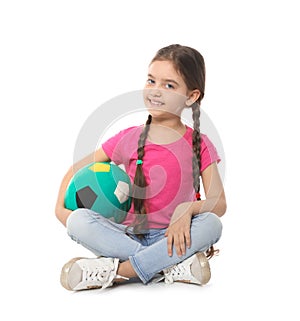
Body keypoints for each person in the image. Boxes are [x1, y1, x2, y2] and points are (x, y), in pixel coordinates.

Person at [55, 44, 227, 291]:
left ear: (191, 96)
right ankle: (169, 267)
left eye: (169, 85)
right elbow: (76, 170)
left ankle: (119, 272)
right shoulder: (128, 138)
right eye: (151, 81)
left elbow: (218, 202)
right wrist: (60, 210)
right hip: (125, 235)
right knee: (78, 221)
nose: (156, 91)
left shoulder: (200, 144)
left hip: (173, 236)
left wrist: (186, 209)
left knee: (212, 223)